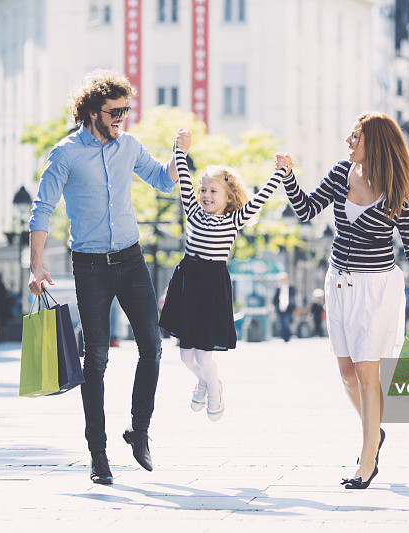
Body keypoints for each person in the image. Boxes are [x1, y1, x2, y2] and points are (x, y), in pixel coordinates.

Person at [27, 69, 184, 485]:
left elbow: (161, 181)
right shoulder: (65, 154)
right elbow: (42, 208)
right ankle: (98, 453)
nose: (122, 118)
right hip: (91, 266)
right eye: (115, 111)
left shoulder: (129, 146)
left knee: (152, 346)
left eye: (126, 110)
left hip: (132, 261)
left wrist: (176, 156)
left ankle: (139, 430)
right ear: (92, 111)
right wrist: (36, 264)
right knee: (95, 359)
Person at [276, 112, 409, 490]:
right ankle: (375, 432)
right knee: (347, 374)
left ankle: (367, 460)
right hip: (339, 284)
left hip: (377, 289)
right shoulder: (341, 173)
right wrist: (289, 177)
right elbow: (305, 210)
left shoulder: (399, 189)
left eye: (355, 137)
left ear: (375, 143)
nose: (348, 143)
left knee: (368, 373)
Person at [159, 130, 283, 422]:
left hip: (212, 286)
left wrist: (278, 173)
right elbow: (185, 180)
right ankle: (205, 382)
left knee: (203, 355)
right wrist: (180, 149)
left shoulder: (233, 220)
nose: (206, 196)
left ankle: (214, 392)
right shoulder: (192, 210)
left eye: (213, 192)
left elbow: (261, 198)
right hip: (189, 281)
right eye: (204, 191)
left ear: (228, 198)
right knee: (185, 356)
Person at [272, 273, 297, 342]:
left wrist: (293, 307)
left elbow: (293, 298)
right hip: (280, 309)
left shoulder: (291, 288)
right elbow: (275, 298)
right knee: (281, 324)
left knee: (286, 322)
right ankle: (284, 337)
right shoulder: (278, 288)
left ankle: (288, 336)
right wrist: (274, 305)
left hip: (288, 309)